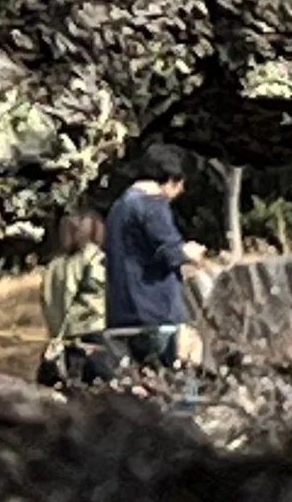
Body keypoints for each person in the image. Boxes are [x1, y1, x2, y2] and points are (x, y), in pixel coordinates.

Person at [104, 142, 204, 375]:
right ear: (171, 178)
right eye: (181, 184)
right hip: (157, 314)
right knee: (178, 384)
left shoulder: (119, 207)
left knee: (136, 386)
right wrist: (188, 252)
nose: (181, 191)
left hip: (121, 314)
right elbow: (169, 253)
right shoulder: (152, 205)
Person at [37, 205, 107, 385]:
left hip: (63, 339)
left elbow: (50, 302)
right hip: (93, 334)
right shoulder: (94, 259)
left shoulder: (53, 266)